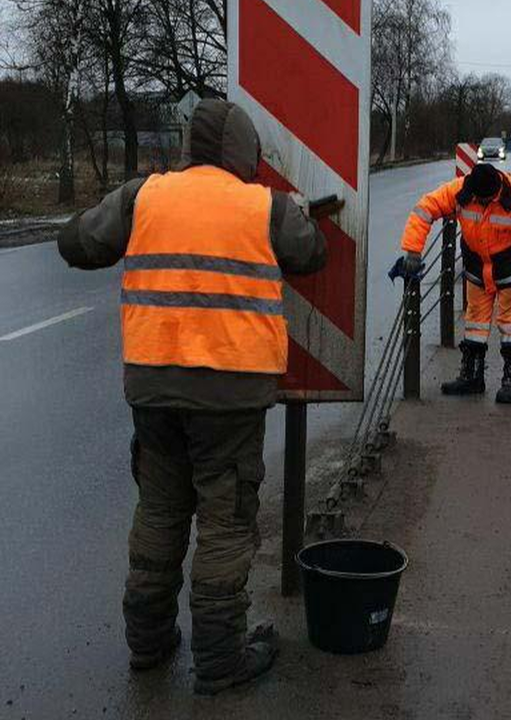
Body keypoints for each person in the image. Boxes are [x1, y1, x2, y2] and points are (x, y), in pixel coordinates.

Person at [57, 99, 325, 695]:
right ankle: (220, 659)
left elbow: (76, 245)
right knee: (226, 525)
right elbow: (312, 255)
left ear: (187, 148)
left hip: (152, 388)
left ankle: (149, 647)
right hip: (230, 394)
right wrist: (299, 215)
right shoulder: (263, 206)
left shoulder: (142, 195)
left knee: (159, 510)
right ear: (244, 152)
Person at [398, 162, 511, 403]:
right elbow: (425, 209)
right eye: (477, 199)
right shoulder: (462, 190)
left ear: (496, 192)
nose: (479, 203)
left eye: (485, 200)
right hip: (477, 269)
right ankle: (472, 376)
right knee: (475, 322)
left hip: (509, 271)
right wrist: (413, 250)